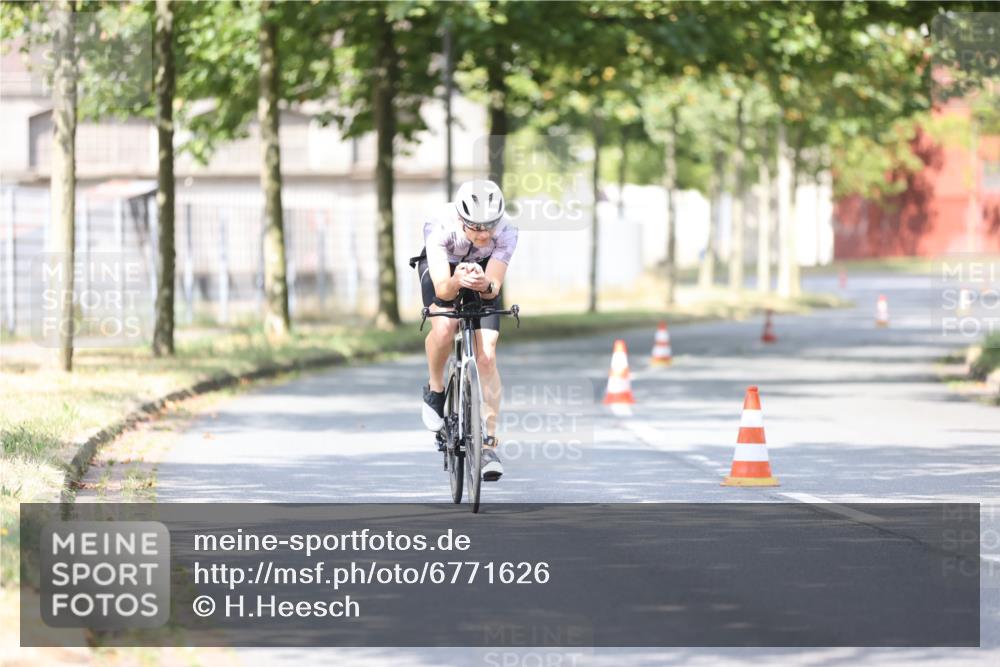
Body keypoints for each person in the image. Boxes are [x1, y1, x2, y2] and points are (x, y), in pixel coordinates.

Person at [414, 179, 518, 481]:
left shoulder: (507, 232)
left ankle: (488, 443)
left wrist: (485, 284)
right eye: (475, 227)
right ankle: (435, 390)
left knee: (487, 353)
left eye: (490, 226)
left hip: (482, 272)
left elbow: (493, 286)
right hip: (443, 270)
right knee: (445, 327)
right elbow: (444, 291)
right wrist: (457, 280)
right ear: (461, 219)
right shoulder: (438, 226)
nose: (484, 234)